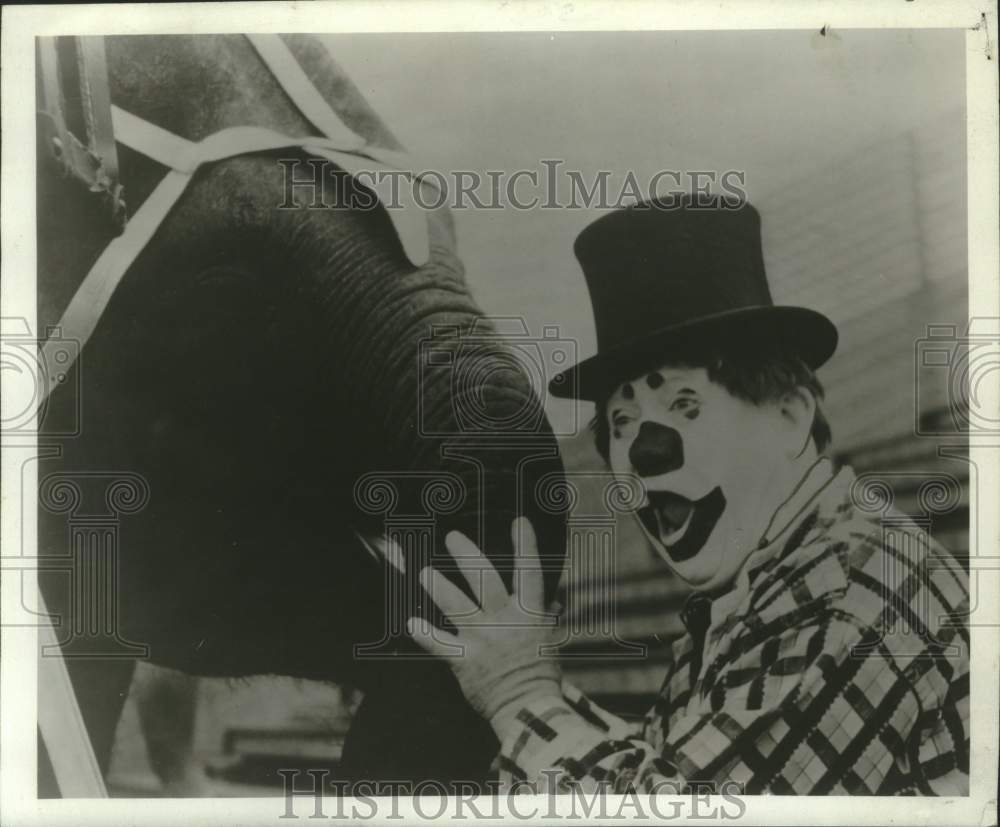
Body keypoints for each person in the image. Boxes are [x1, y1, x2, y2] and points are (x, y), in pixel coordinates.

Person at [406, 196, 970, 795]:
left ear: (789, 416)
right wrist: (518, 671)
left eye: (684, 404)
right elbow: (665, 762)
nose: (644, 449)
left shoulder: (848, 588)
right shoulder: (767, 584)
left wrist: (519, 692)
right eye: (621, 422)